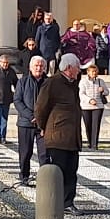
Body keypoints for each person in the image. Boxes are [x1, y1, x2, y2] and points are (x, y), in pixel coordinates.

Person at [35, 53, 84, 210]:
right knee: (58, 172)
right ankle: (55, 203)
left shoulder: (73, 83)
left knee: (71, 172)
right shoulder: (52, 83)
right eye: (77, 68)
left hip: (72, 137)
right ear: (69, 68)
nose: (79, 71)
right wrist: (43, 127)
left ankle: (68, 203)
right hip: (57, 137)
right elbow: (41, 108)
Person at [14, 55, 48, 186]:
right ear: (30, 67)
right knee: (25, 152)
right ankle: (24, 176)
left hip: (43, 125)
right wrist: (30, 115)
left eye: (41, 66)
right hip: (26, 123)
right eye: (36, 66)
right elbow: (17, 101)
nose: (38, 68)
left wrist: (42, 118)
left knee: (44, 154)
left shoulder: (48, 82)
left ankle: (45, 179)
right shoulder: (22, 82)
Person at [78, 61, 107, 150]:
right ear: (88, 72)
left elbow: (107, 92)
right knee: (88, 125)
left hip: (98, 106)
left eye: (95, 71)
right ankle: (90, 142)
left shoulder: (100, 81)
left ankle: (95, 144)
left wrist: (103, 90)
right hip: (86, 106)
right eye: (92, 71)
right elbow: (81, 93)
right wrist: (89, 100)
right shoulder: (83, 81)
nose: (94, 73)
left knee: (96, 125)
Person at [0, 53, 18, 145]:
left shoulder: (11, 71)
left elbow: (16, 84)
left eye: (7, 63)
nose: (5, 64)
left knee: (4, 118)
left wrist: (16, 93)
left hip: (7, 98)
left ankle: (3, 136)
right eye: (3, 63)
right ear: (0, 62)